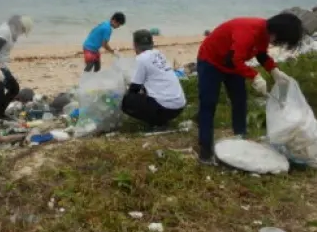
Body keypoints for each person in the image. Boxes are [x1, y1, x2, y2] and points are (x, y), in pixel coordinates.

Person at [195, 13, 303, 165]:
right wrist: (255, 76)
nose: (277, 43)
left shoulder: (265, 33)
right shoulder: (247, 32)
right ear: (277, 33)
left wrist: (274, 70)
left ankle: (240, 138)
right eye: (280, 41)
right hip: (211, 61)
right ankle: (205, 151)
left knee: (240, 101)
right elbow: (235, 59)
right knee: (208, 104)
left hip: (232, 64)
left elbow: (260, 54)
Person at [121, 30, 186, 131]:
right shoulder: (159, 54)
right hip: (179, 106)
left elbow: (135, 87)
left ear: (135, 45)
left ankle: (157, 123)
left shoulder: (141, 59)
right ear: (152, 44)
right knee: (144, 93)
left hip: (166, 108)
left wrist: (124, 92)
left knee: (127, 101)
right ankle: (161, 119)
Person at [0, 15, 33, 129]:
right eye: (23, 30)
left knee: (14, 88)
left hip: (2, 67)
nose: (22, 33)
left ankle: (0, 113)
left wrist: (3, 67)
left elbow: (3, 52)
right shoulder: (5, 31)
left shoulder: (13, 32)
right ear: (20, 25)